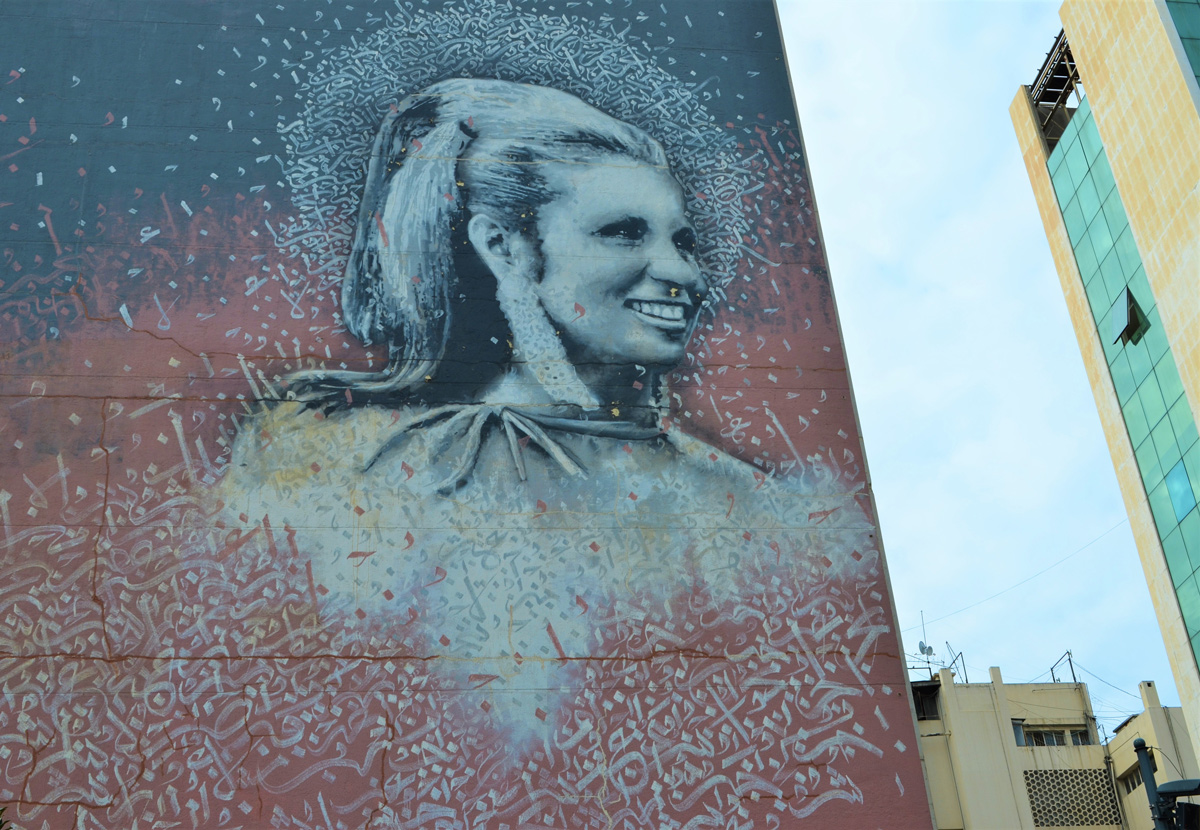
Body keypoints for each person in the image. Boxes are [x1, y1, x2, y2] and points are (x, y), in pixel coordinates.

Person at [216, 78, 874, 730]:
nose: (682, 275)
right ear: (503, 247)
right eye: (623, 232)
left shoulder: (767, 513)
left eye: (684, 241)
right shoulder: (352, 470)